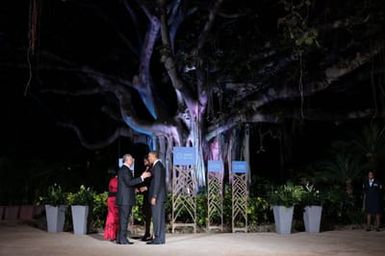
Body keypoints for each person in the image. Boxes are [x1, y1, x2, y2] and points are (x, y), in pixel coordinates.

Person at [116, 154, 151, 245]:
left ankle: (120, 238)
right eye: (131, 159)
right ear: (127, 160)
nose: (132, 161)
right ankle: (123, 240)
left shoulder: (124, 169)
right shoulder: (125, 170)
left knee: (123, 220)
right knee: (124, 220)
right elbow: (129, 182)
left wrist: (134, 189)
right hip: (125, 200)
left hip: (124, 199)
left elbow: (126, 184)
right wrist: (142, 177)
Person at [147, 151, 166, 245]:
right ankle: (161, 238)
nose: (148, 158)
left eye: (149, 156)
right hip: (160, 196)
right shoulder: (159, 165)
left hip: (157, 197)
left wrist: (154, 196)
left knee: (156, 217)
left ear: (155, 156)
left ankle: (158, 238)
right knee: (160, 218)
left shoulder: (157, 166)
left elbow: (157, 182)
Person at [103, 168, 119, 241]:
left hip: (111, 199)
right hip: (116, 199)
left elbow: (110, 190)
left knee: (110, 216)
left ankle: (110, 234)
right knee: (115, 217)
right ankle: (114, 235)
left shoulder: (111, 180)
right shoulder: (118, 181)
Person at [139, 157, 152, 241]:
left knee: (150, 215)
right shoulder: (145, 170)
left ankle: (150, 234)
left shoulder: (152, 169)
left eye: (146, 160)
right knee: (146, 215)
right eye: (144, 161)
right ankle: (147, 233)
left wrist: (147, 187)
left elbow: (153, 183)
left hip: (150, 195)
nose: (144, 162)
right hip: (145, 196)